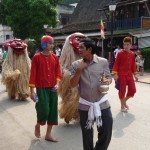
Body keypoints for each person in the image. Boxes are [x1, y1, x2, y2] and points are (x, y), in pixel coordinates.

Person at [70, 38, 113, 150]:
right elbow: (73, 84)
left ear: (89, 49)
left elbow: (109, 78)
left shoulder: (102, 62)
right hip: (85, 105)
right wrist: (79, 70)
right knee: (87, 135)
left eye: (81, 47)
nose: (78, 49)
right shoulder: (75, 65)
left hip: (102, 103)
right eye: (78, 47)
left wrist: (106, 81)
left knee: (107, 129)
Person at [29, 35, 62, 142]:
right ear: (44, 44)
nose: (52, 45)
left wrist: (57, 84)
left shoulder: (55, 58)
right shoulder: (36, 57)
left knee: (52, 111)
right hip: (41, 88)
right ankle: (38, 124)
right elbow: (33, 74)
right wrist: (32, 91)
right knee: (43, 109)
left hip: (53, 88)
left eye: (52, 43)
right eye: (49, 43)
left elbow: (58, 72)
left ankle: (48, 135)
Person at [58, 32, 85, 124]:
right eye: (78, 39)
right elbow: (62, 69)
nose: (80, 42)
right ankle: (68, 113)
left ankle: (79, 115)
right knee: (70, 97)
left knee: (81, 98)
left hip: (81, 82)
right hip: (69, 81)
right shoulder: (66, 57)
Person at [112, 37, 138, 112]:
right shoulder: (120, 53)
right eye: (124, 44)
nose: (126, 46)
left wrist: (135, 74)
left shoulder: (132, 54)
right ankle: (122, 107)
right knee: (122, 91)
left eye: (127, 45)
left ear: (131, 45)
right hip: (121, 75)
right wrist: (115, 74)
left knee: (133, 90)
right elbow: (116, 64)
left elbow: (133, 65)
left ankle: (124, 102)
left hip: (129, 75)